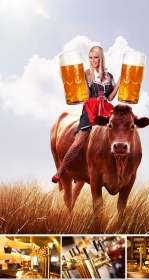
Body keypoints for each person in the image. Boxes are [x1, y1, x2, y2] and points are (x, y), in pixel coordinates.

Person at [52, 45, 120, 183]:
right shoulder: (87, 73)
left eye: (96, 57)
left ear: (101, 58)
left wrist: (119, 83)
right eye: (91, 57)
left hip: (106, 108)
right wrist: (83, 80)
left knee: (117, 137)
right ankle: (60, 171)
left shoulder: (109, 76)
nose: (93, 60)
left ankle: (118, 171)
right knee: (78, 142)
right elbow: (88, 95)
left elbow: (111, 97)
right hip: (91, 106)